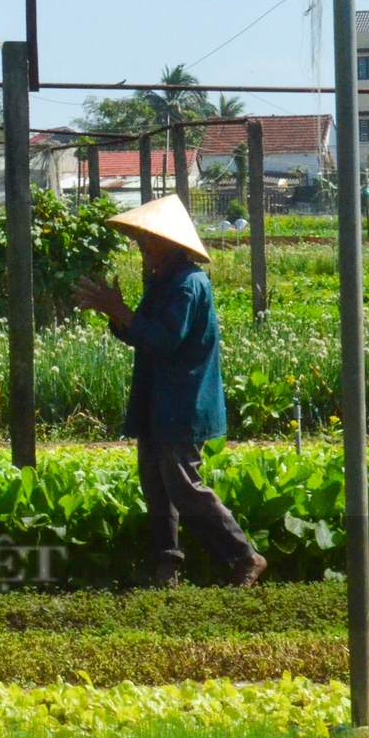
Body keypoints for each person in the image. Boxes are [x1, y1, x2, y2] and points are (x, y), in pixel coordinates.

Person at [74, 195, 265, 588]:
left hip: (182, 400)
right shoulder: (163, 281)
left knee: (183, 484)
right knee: (155, 483)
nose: (142, 247)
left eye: (150, 240)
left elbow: (164, 341)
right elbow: (142, 335)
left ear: (172, 243)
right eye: (142, 240)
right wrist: (118, 314)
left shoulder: (187, 285)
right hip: (157, 399)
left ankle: (243, 556)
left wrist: (120, 312)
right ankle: (167, 565)